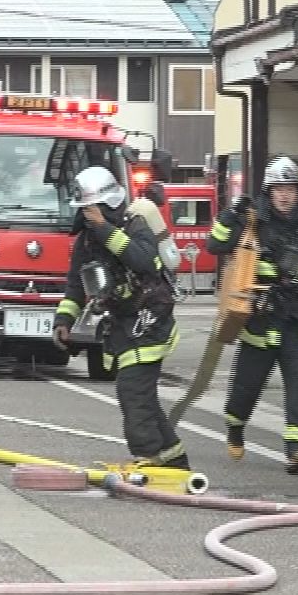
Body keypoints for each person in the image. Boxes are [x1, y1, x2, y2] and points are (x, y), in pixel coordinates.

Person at [206, 157, 298, 474]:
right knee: (246, 389)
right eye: (278, 189)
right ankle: (235, 425)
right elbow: (214, 244)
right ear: (268, 191)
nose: (284, 195)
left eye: (291, 188)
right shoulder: (253, 221)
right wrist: (231, 212)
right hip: (260, 318)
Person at [52, 165, 189, 470]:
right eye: (84, 209)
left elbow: (144, 262)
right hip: (124, 324)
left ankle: (148, 456)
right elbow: (76, 284)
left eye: (91, 208)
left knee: (132, 392)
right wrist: (63, 321)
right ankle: (173, 457)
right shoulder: (87, 241)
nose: (86, 215)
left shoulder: (133, 225)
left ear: (107, 204)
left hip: (149, 320)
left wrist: (105, 229)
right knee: (144, 397)